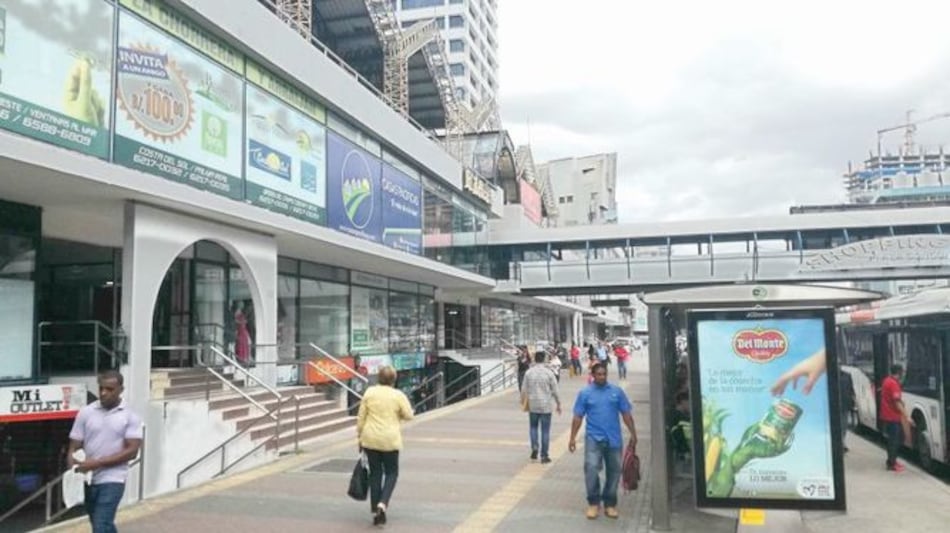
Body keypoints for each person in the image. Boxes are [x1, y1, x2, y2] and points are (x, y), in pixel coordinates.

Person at [67, 370, 143, 533]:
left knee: (101, 524)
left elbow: (132, 451)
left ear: (120, 390)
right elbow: (74, 446)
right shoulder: (86, 412)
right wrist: (73, 469)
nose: (103, 393)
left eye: (109, 389)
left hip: (113, 478)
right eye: (101, 388)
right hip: (88, 479)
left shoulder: (130, 416)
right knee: (100, 523)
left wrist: (97, 463)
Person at [568, 363, 637, 520]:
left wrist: (633, 434)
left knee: (614, 472)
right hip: (593, 439)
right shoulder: (585, 393)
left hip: (614, 440)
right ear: (593, 375)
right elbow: (577, 417)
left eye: (604, 374)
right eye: (598, 374)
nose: (602, 377)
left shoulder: (616, 392)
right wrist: (572, 438)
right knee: (591, 469)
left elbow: (626, 414)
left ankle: (610, 503)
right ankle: (593, 502)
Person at [357, 366, 414, 526]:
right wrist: (399, 415)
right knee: (392, 473)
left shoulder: (369, 393)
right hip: (390, 440)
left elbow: (361, 418)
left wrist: (359, 437)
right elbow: (409, 415)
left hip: (370, 439)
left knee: (375, 474)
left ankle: (376, 511)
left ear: (378, 378)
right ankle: (383, 503)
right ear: (393, 380)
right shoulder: (398, 395)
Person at [522, 351, 562, 463]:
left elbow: (524, 389)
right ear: (544, 359)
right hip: (546, 405)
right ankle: (544, 455)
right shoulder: (549, 373)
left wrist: (523, 402)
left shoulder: (529, 373)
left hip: (533, 404)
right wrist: (558, 403)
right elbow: (555, 390)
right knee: (545, 431)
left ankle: (534, 447)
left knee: (533, 427)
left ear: (535, 359)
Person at [880, 364, 911, 472]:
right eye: (902, 372)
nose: (903, 374)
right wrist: (907, 417)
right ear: (899, 372)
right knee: (895, 440)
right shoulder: (893, 384)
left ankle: (892, 461)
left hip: (887, 416)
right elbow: (897, 402)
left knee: (894, 439)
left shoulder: (886, 380)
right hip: (893, 417)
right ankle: (892, 463)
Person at [670, 392, 691, 461]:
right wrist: (685, 451)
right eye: (689, 402)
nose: (690, 405)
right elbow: (677, 433)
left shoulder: (674, 415)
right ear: (683, 402)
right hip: (682, 455)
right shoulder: (679, 417)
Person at [839, 369, 855, 452]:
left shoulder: (847, 375)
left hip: (845, 404)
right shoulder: (829, 374)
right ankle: (840, 443)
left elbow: (851, 389)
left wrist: (852, 400)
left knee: (844, 425)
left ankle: (842, 442)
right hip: (834, 405)